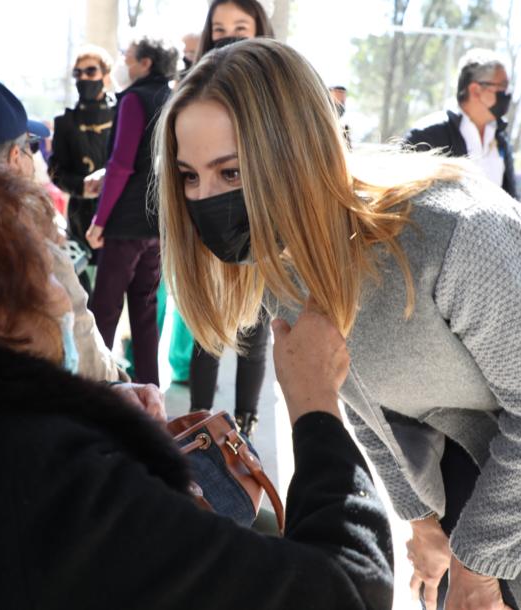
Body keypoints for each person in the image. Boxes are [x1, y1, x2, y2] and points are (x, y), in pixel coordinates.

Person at [0, 146, 393, 608]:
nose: (58, 296)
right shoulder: (47, 490)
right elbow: (344, 592)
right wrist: (316, 408)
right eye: (37, 268)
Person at [158, 38, 521, 610]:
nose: (205, 199)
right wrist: (422, 519)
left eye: (230, 172)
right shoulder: (282, 259)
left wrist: (479, 563)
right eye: (188, 177)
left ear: (295, 152)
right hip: (473, 502)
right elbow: (361, 396)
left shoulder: (454, 236)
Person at [0, 76, 128, 385]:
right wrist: (122, 382)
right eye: (31, 146)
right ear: (14, 157)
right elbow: (89, 363)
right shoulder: (35, 255)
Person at [185, 0, 275, 438]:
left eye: (241, 26)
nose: (229, 36)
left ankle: (245, 428)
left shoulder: (278, 99)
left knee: (255, 335)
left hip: (262, 232)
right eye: (218, 29)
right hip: (207, 229)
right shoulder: (192, 91)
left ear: (262, 30)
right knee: (207, 332)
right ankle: (197, 425)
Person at [84, 37, 178, 386]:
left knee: (104, 312)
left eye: (128, 57)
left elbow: (122, 164)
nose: (123, 63)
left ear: (146, 63)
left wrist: (99, 220)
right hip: (157, 221)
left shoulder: (134, 99)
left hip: (125, 224)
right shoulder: (172, 98)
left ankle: (95, 389)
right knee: (145, 309)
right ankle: (150, 390)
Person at [405, 48, 517, 200]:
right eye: (502, 87)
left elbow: (512, 199)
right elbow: (407, 199)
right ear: (476, 90)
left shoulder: (501, 139)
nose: (508, 94)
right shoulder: (427, 136)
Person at [49, 45, 115, 295]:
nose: (84, 78)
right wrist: (80, 187)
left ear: (105, 76)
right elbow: (56, 170)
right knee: (83, 290)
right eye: (79, 73)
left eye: (91, 71)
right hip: (81, 216)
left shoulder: (122, 114)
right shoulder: (65, 122)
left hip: (119, 215)